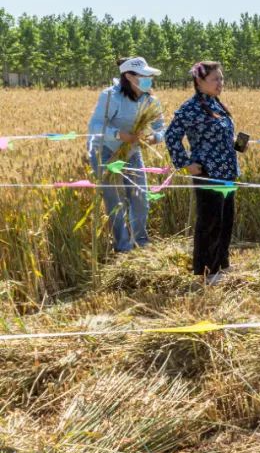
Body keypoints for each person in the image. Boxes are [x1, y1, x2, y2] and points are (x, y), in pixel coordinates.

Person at [165, 61, 240, 285]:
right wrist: (185, 163)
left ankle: (221, 264)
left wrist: (236, 143)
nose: (221, 83)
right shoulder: (190, 108)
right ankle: (208, 270)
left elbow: (218, 135)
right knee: (210, 222)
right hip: (208, 172)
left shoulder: (216, 104)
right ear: (199, 81)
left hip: (226, 171)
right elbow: (171, 136)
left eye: (222, 78)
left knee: (226, 219)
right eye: (215, 79)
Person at [85, 56, 165, 253]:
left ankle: (140, 243)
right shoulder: (111, 96)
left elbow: (161, 128)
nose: (149, 80)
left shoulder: (150, 100)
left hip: (132, 152)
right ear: (129, 76)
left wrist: (154, 138)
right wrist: (119, 135)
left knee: (139, 196)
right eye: (144, 76)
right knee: (114, 200)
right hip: (104, 151)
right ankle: (122, 246)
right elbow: (95, 126)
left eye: (149, 76)